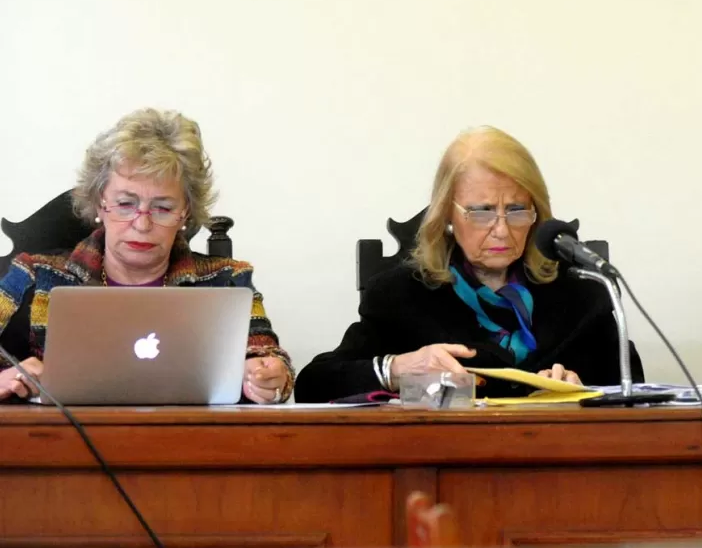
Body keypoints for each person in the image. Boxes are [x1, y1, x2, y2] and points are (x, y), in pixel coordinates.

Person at [295, 125, 642, 402]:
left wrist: (582, 387)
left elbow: (632, 385)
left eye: (518, 210)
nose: (502, 230)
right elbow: (314, 384)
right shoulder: (401, 295)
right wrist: (396, 369)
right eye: (482, 211)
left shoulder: (580, 290)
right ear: (448, 213)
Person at [0, 109, 293, 403]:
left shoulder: (228, 280)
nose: (142, 225)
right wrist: (5, 379)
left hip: (192, 442)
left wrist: (270, 378)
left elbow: (266, 356)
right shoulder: (34, 275)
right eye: (126, 204)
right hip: (60, 444)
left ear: (185, 213)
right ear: (101, 204)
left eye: (163, 208)